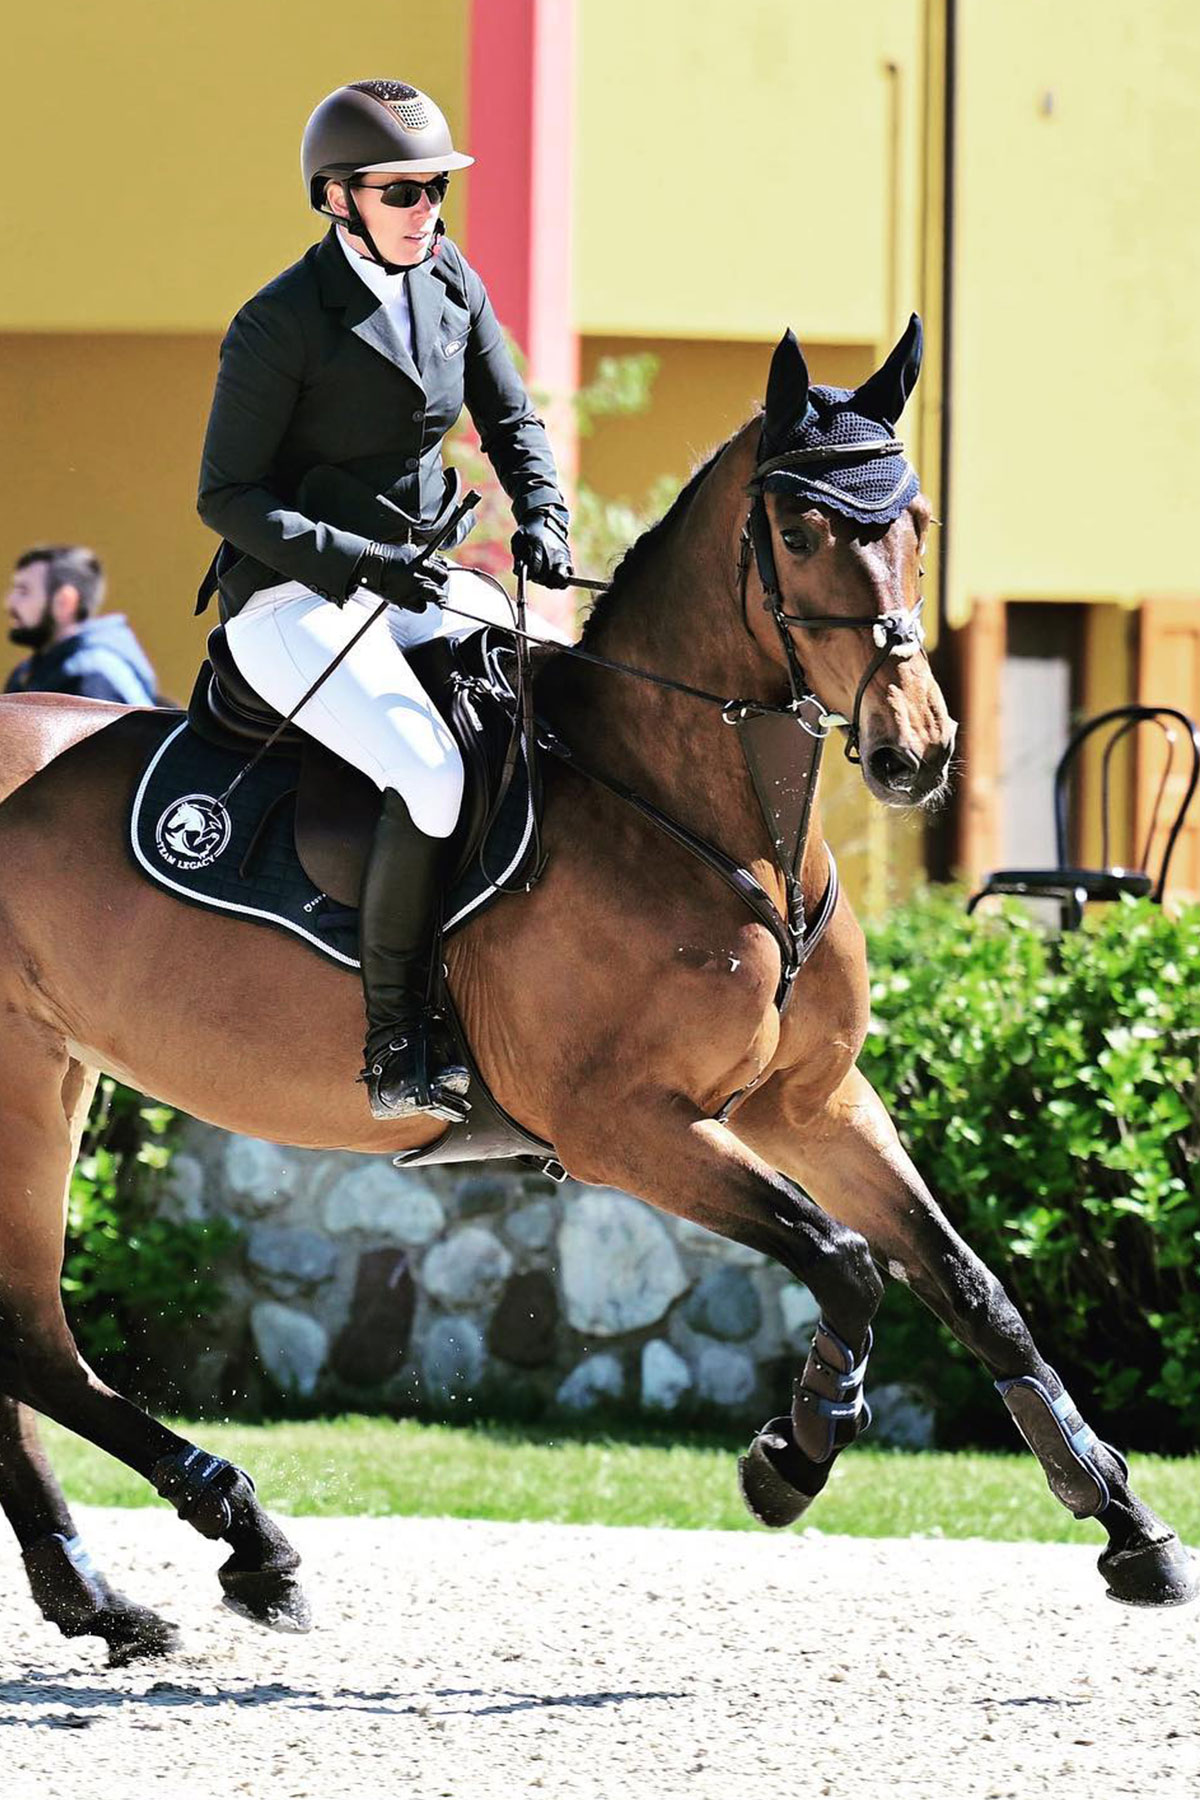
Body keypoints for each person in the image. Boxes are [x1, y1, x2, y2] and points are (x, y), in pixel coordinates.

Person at [196, 78, 573, 1125]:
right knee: (431, 771)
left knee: (561, 686)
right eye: (402, 194)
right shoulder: (279, 324)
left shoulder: (450, 278)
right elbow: (223, 497)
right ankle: (397, 1039)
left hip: (413, 581)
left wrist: (545, 516)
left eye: (433, 191)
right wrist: (362, 562)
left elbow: (514, 421)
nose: (427, 212)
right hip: (290, 599)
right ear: (337, 198)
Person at [5, 544, 158, 704]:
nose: (9, 602)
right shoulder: (28, 672)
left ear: (64, 601)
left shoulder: (92, 677)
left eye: (24, 591)